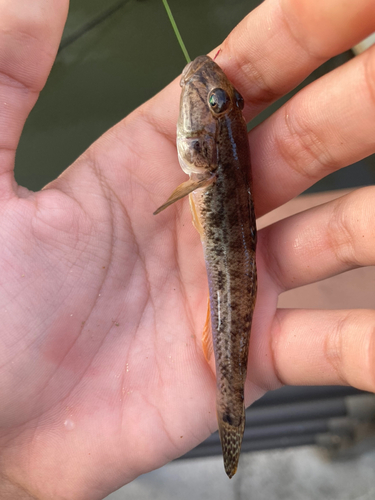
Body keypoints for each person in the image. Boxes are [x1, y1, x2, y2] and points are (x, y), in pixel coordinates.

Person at [0, 0, 374, 497]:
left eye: (221, 104)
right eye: (223, 101)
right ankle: (231, 421)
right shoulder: (207, 156)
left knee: (229, 328)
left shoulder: (209, 160)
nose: (210, 93)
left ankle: (231, 421)